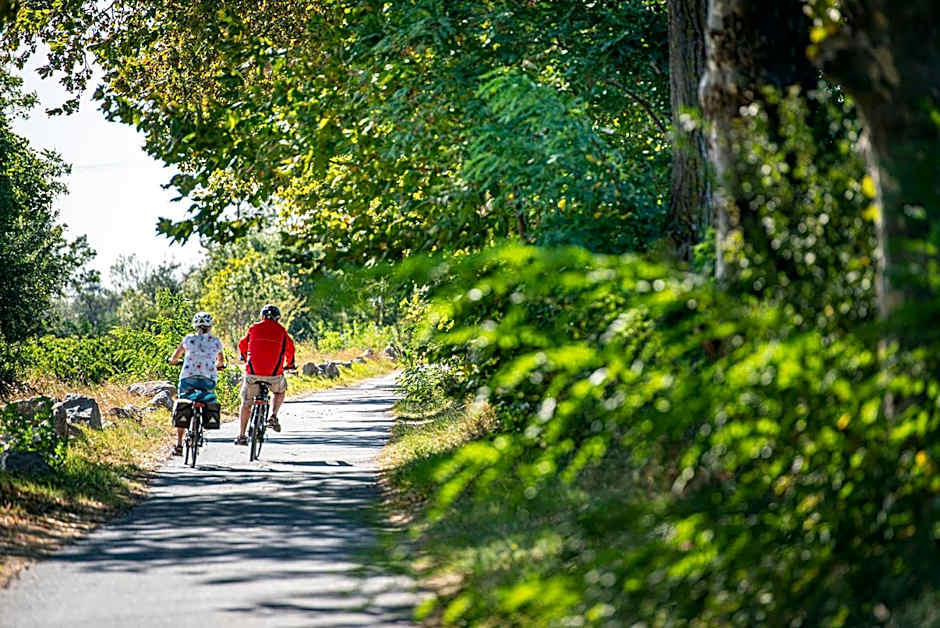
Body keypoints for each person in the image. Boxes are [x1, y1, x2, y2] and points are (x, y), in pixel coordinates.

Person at [235, 304, 296, 446]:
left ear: (262, 316)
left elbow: (242, 344)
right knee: (280, 391)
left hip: (253, 374)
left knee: (246, 403)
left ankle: (242, 435)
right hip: (274, 376)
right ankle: (273, 415)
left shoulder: (253, 328)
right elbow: (290, 350)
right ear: (277, 318)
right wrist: (290, 365)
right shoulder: (282, 331)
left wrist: (245, 357)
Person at [168, 312, 226, 456]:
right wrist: (219, 366)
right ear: (210, 326)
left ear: (195, 325)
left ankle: (179, 444)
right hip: (208, 379)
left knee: (184, 402)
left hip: (188, 378)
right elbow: (221, 361)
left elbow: (175, 357)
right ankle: (203, 420)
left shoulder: (188, 339)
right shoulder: (216, 341)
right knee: (206, 398)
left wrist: (173, 361)